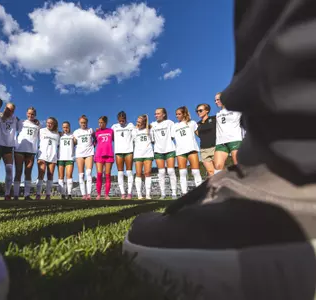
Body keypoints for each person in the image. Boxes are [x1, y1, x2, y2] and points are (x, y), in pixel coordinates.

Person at [124, 1, 316, 298]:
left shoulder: (210, 119)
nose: (207, 106)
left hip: (244, 144)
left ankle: (291, 164)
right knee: (215, 164)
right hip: (215, 146)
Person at [0, 103, 18, 201]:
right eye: (7, 109)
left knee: (9, 170)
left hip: (8, 147)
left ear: (13, 112)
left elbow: (26, 124)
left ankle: (7, 194)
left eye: (11, 110)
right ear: (4, 108)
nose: (8, 111)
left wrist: (36, 122)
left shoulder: (15, 119)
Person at [172, 106, 203, 195]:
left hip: (191, 149)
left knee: (195, 171)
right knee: (182, 173)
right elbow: (169, 138)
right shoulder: (175, 126)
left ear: (184, 114)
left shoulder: (192, 123)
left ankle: (200, 193)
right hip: (180, 151)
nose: (177, 116)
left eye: (179, 114)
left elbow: (199, 134)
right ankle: (184, 193)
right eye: (176, 114)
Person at [150, 108, 177, 199]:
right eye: (155, 114)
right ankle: (163, 194)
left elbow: (173, 136)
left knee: (171, 171)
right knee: (161, 172)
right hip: (158, 151)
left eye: (158, 113)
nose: (156, 115)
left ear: (164, 114)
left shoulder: (170, 123)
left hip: (169, 149)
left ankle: (174, 193)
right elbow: (152, 140)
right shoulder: (152, 125)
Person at [14, 107, 40, 200]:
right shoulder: (20, 122)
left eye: (32, 114)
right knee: (18, 171)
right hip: (19, 149)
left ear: (35, 115)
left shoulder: (37, 126)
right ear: (26, 113)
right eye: (29, 113)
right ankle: (16, 195)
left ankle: (26, 195)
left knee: (28, 172)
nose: (30, 115)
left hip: (31, 151)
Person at [214, 92, 243, 173]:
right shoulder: (217, 114)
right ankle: (222, 185)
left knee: (238, 165)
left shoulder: (236, 111)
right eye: (215, 100)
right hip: (221, 142)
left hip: (235, 140)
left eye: (218, 99)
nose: (216, 102)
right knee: (217, 166)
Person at [111, 111, 135, 199]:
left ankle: (129, 193)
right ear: (117, 120)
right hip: (118, 152)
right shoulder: (114, 127)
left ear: (126, 119)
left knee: (129, 172)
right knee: (120, 172)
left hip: (129, 151)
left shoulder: (130, 125)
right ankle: (122, 193)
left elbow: (134, 136)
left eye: (123, 120)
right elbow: (112, 138)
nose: (122, 122)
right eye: (120, 121)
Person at [35, 117, 60, 200]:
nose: (49, 124)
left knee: (50, 175)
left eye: (51, 123)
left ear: (54, 124)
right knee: (41, 174)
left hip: (52, 156)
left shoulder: (57, 134)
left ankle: (48, 195)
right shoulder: (41, 131)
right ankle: (38, 194)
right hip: (42, 155)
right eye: (47, 122)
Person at [132, 114, 154, 200]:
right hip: (138, 154)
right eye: (137, 121)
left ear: (144, 123)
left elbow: (152, 140)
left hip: (148, 153)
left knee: (147, 173)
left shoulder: (149, 130)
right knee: (138, 174)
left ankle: (148, 194)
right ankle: (139, 195)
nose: (137, 123)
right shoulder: (134, 131)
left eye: (139, 122)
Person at [73, 115, 95, 200]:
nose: (83, 124)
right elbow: (74, 142)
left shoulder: (90, 130)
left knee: (88, 173)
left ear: (87, 123)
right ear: (79, 123)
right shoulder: (76, 132)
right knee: (81, 175)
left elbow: (95, 138)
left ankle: (89, 194)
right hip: (79, 154)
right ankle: (83, 194)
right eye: (82, 122)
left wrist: (94, 145)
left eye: (85, 122)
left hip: (89, 153)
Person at [94, 116, 114, 200]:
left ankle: (106, 195)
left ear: (105, 123)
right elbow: (93, 143)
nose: (100, 124)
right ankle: (98, 194)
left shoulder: (111, 131)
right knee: (99, 174)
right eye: (99, 122)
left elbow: (115, 140)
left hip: (109, 154)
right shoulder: (96, 133)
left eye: (102, 122)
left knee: (107, 175)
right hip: (99, 155)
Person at [196, 103, 217, 176]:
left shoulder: (214, 119)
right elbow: (198, 134)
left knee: (218, 170)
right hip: (204, 150)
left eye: (200, 110)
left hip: (215, 147)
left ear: (207, 110)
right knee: (210, 172)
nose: (198, 112)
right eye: (197, 111)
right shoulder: (197, 124)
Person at [57, 121, 75, 200]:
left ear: (69, 127)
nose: (65, 129)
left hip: (70, 158)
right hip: (60, 158)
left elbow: (76, 142)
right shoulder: (59, 135)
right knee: (61, 176)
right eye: (64, 127)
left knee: (69, 176)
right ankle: (63, 194)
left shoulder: (73, 135)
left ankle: (69, 194)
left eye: (67, 127)